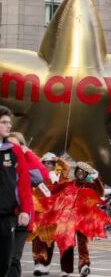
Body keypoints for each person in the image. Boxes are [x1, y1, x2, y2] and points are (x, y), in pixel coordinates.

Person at [33, 162, 108, 277]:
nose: (80, 173)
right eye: (78, 171)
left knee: (83, 243)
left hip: (84, 218)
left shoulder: (90, 185)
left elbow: (101, 192)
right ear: (76, 172)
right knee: (66, 243)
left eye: (83, 172)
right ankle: (66, 270)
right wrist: (41, 185)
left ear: (86, 173)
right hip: (68, 219)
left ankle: (84, 265)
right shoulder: (69, 183)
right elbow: (54, 190)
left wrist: (96, 179)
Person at [0, 107, 33, 277]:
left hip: (6, 215)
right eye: (4, 122)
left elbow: (24, 183)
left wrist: (25, 210)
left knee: (5, 262)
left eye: (9, 122)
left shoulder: (13, 150)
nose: (9, 126)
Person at [6, 133, 42, 277]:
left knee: (14, 258)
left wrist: (29, 154)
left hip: (22, 216)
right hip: (5, 216)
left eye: (17, 145)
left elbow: (41, 177)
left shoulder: (25, 163)